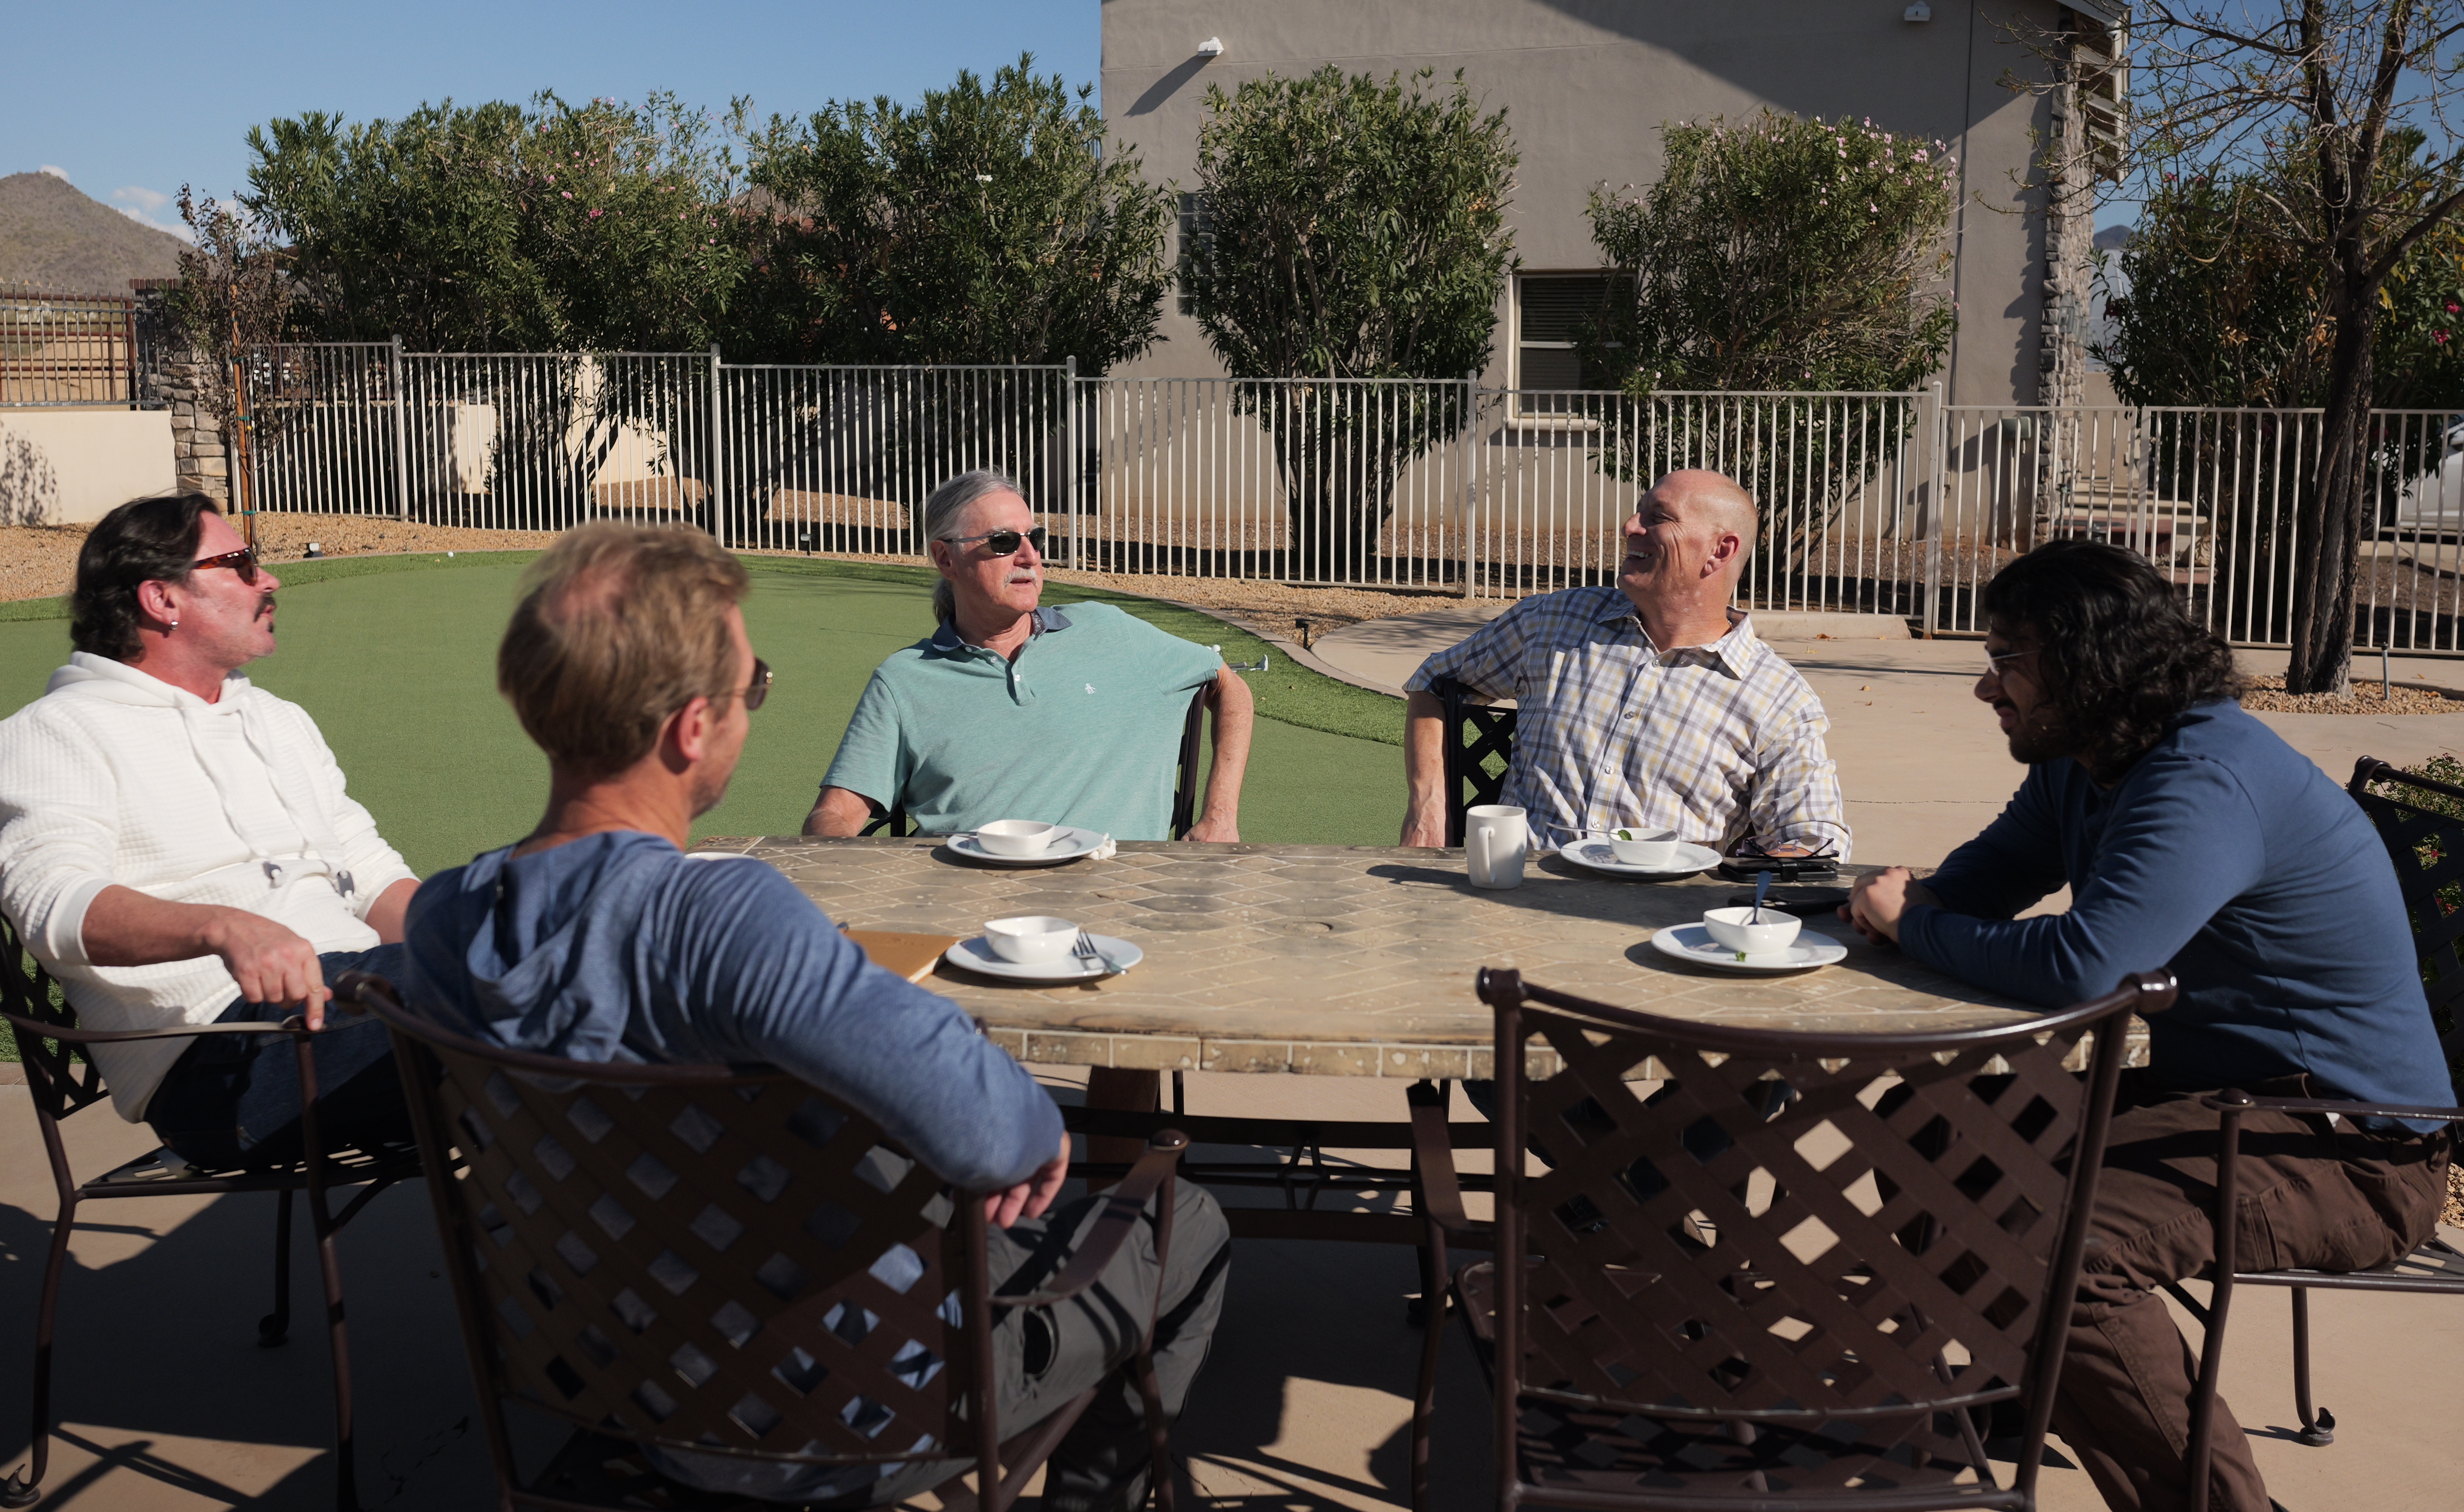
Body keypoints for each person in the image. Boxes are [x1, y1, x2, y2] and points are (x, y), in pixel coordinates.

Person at [401, 522, 1228, 1510]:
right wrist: (1025, 1116)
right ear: (691, 728)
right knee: (1190, 1222)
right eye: (753, 687)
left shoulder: (447, 919)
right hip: (850, 1407)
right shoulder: (721, 916)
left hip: (611, 1377)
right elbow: (997, 1131)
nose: (753, 708)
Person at [1841, 539, 2454, 1512]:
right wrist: (1900, 905)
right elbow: (1991, 877)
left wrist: (1913, 923)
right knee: (1932, 1127)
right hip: (2216, 1100)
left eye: (2005, 662)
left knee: (2060, 1249)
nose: (1983, 688)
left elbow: (2084, 965)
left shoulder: (2202, 777)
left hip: (2349, 1146)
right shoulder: (2088, 756)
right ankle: (2024, 1384)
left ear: (2083, 666)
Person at [0, 493, 420, 1166]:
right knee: (536, 999)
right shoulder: (55, 733)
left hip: (356, 1000)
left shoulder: (277, 720)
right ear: (163, 598)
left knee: (549, 956)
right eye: (241, 564)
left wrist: (466, 934)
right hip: (222, 1058)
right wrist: (223, 926)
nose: (270, 580)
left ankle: (551, 1258)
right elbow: (54, 906)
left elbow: (368, 871)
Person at [1397, 468, 1849, 857]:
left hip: (1655, 929)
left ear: (1720, 550)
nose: (1630, 526)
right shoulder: (1553, 622)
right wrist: (1428, 806)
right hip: (1513, 903)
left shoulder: (1777, 699)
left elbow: (1814, 838)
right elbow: (1435, 683)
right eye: (1638, 512)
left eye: (1657, 518)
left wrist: (1761, 865)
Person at [805, 468, 1253, 842]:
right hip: (964, 908)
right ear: (946, 559)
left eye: (1034, 538)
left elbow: (1227, 686)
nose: (1029, 556)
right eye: (1002, 542)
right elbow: (836, 815)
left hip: (1115, 901)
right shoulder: (904, 680)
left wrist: (1220, 817)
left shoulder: (1109, 631)